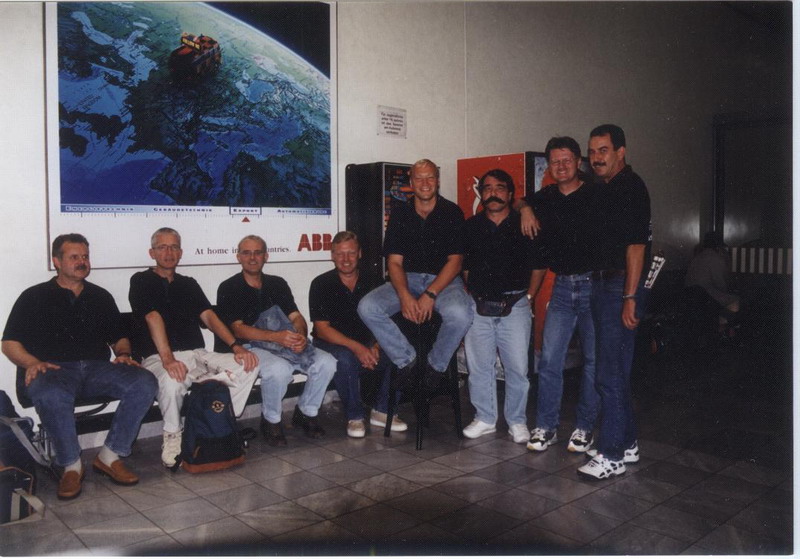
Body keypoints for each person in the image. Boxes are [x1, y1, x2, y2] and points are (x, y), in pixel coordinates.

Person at [2, 234, 157, 499]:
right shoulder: (34, 296)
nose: (82, 262)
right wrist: (32, 363)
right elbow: (9, 343)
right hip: (54, 370)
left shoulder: (100, 296)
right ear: (56, 261)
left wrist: (122, 353)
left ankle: (109, 456)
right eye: (74, 257)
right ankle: (71, 465)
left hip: (97, 369)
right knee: (50, 393)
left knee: (144, 381)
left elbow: (119, 336)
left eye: (85, 256)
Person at [129, 228, 259, 468]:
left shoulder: (188, 284)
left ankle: (216, 421)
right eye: (162, 247)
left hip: (196, 355)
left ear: (180, 252)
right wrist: (168, 359)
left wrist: (235, 346)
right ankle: (173, 434)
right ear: (152, 253)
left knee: (249, 363)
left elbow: (209, 316)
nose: (169, 252)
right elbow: (153, 317)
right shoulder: (141, 281)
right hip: (158, 357)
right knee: (172, 381)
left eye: (174, 247)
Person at [358, 158, 473, 390]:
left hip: (444, 282)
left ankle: (435, 366)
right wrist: (404, 296)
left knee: (461, 314)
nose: (425, 183)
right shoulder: (401, 213)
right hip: (407, 279)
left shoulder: (452, 212)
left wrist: (430, 294)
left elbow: (455, 262)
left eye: (430, 177)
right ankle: (406, 360)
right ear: (411, 183)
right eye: (419, 178)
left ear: (437, 181)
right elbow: (394, 262)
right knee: (367, 307)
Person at [577, 124, 652, 480]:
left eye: (603, 150)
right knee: (612, 370)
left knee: (610, 374)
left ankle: (612, 456)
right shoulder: (605, 188)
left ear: (621, 152)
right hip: (602, 284)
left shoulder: (631, 188)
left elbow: (636, 247)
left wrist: (630, 297)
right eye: (592, 151)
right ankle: (627, 442)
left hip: (620, 286)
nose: (596, 158)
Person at [518, 137, 601, 454]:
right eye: (555, 161)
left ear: (579, 162)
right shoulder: (546, 197)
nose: (561, 166)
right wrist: (526, 209)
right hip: (563, 288)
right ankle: (546, 427)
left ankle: (584, 428)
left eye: (567, 160)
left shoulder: (596, 194)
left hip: (595, 286)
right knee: (549, 359)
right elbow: (517, 201)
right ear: (549, 167)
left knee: (593, 361)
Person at [216, 235, 336, 445]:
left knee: (327, 362)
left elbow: (296, 317)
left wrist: (300, 336)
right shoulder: (229, 287)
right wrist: (276, 337)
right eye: (246, 253)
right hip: (249, 346)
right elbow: (238, 329)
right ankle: (271, 420)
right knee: (279, 369)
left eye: (258, 252)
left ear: (266, 256)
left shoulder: (277, 284)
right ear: (238, 257)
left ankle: (306, 412)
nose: (252, 258)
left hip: (284, 342)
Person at [461, 170, 545, 443]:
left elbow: (539, 266)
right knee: (478, 367)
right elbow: (465, 268)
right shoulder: (470, 227)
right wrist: (477, 293)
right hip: (479, 306)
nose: (493, 194)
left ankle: (517, 421)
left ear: (510, 194)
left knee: (517, 368)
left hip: (516, 305)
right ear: (481, 194)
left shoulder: (525, 224)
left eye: (499, 188)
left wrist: (529, 297)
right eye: (487, 188)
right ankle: (485, 418)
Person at [309, 231, 407, 438]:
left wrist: (376, 346)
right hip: (332, 343)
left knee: (402, 353)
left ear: (359, 254)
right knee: (345, 358)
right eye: (340, 254)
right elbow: (322, 330)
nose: (346, 259)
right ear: (332, 255)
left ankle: (382, 411)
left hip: (368, 344)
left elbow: (387, 320)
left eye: (351, 253)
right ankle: (355, 416)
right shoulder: (320, 283)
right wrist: (358, 348)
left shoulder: (374, 281)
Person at [685, 231, 740, 337]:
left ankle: (719, 327)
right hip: (705, 296)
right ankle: (722, 329)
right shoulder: (716, 258)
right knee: (735, 301)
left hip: (690, 296)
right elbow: (721, 285)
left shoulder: (697, 257)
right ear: (718, 246)